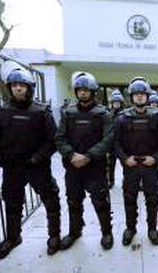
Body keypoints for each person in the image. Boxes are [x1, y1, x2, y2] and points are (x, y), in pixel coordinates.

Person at [0, 68, 61, 258]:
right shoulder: (1, 113)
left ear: (29, 88)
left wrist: (37, 157)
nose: (18, 89)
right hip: (12, 167)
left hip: (37, 166)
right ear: (10, 88)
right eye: (14, 85)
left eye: (22, 85)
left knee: (51, 200)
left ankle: (54, 236)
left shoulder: (41, 112)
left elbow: (53, 140)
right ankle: (13, 237)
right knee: (12, 203)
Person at [55, 72, 114, 250]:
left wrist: (88, 156)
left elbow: (109, 139)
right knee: (73, 201)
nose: (82, 93)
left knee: (100, 201)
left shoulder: (103, 113)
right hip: (73, 167)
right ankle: (75, 232)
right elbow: (59, 138)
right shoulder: (68, 112)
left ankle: (106, 232)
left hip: (95, 167)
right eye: (79, 90)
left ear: (93, 92)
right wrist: (71, 155)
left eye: (86, 90)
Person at [114, 77, 158, 246]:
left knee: (152, 199)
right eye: (136, 94)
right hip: (131, 165)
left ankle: (152, 228)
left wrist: (155, 158)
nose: (139, 97)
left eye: (142, 94)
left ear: (147, 96)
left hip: (150, 165)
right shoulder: (122, 118)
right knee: (129, 198)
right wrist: (124, 159)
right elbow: (116, 143)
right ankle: (130, 228)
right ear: (131, 97)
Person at [107, 89, 125, 189]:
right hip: (111, 144)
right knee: (110, 164)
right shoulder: (108, 115)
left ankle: (126, 179)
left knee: (125, 164)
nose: (116, 104)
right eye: (114, 103)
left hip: (122, 144)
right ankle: (111, 180)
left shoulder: (125, 114)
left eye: (118, 103)